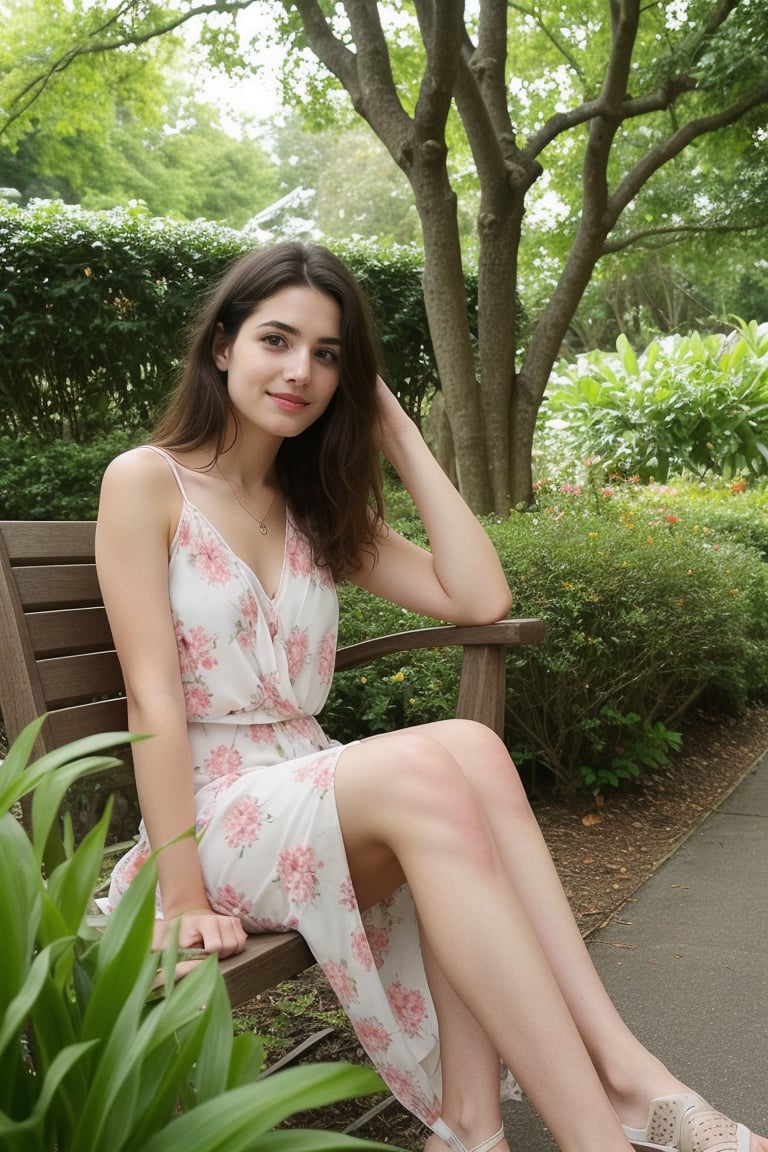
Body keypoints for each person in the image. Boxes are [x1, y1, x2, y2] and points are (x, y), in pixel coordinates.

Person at [95, 241, 764, 1152]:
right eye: (277, 340)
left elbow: (480, 597)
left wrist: (402, 433)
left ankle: (523, 1111)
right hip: (205, 820)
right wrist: (179, 898)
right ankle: (598, 1131)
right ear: (222, 346)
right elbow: (151, 698)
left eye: (328, 355)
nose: (300, 371)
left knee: (473, 749)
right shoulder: (147, 481)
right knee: (425, 766)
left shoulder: (312, 507)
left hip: (301, 782)